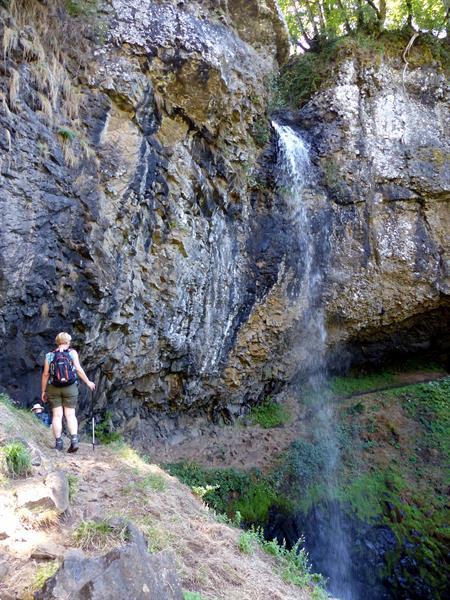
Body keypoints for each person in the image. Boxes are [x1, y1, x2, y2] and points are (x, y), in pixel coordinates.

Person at [41, 332, 95, 452]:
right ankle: (74, 441)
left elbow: (45, 374)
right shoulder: (72, 353)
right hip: (70, 387)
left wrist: (43, 391)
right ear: (67, 342)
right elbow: (78, 369)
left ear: (57, 341)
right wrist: (88, 382)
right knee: (70, 414)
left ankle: (59, 443)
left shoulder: (49, 355)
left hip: (53, 387)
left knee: (57, 415)